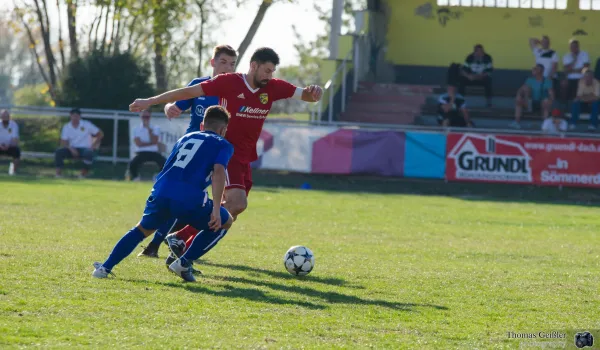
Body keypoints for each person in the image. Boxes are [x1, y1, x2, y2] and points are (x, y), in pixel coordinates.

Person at [129, 47, 323, 270]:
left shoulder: (274, 87)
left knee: (233, 210)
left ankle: (181, 240)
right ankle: (181, 245)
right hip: (225, 152)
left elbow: (307, 96)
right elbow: (187, 92)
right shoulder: (229, 82)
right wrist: (150, 101)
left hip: (245, 158)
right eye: (266, 70)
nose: (269, 76)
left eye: (272, 71)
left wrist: (315, 92)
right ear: (253, 65)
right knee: (236, 203)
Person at [92, 106, 234, 282]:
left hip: (161, 191)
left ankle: (105, 267)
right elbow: (219, 172)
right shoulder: (223, 144)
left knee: (141, 230)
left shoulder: (185, 137)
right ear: (223, 129)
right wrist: (215, 209)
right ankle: (184, 263)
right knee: (224, 221)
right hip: (188, 196)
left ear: (202, 125)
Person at [137, 44, 237, 258]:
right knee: (176, 198)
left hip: (209, 158)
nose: (227, 68)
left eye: (232, 64)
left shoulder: (234, 93)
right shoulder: (199, 86)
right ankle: (159, 245)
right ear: (212, 63)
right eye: (223, 62)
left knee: (188, 202)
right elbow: (175, 103)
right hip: (187, 151)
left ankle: (167, 246)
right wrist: (168, 107)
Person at [55, 108, 103, 178]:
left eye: (77, 116)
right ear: (70, 116)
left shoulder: (87, 124)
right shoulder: (66, 127)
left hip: (85, 148)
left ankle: (83, 174)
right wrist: (71, 148)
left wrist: (93, 145)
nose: (75, 118)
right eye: (73, 116)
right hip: (71, 148)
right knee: (59, 152)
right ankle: (58, 174)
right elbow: (63, 141)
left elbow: (100, 134)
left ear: (80, 117)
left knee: (89, 153)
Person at [509, 64, 554, 129]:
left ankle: (545, 125)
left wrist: (550, 102)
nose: (533, 70)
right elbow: (521, 89)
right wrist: (518, 96)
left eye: (536, 69)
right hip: (529, 102)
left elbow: (551, 94)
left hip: (541, 103)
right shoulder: (529, 80)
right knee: (519, 100)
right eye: (533, 68)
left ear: (541, 71)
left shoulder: (547, 81)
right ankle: (517, 122)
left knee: (546, 102)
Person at [127, 109, 166, 181]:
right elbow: (138, 144)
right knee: (132, 163)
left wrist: (149, 131)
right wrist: (150, 143)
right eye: (143, 117)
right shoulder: (136, 129)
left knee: (164, 162)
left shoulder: (155, 128)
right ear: (140, 117)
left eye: (147, 117)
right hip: (141, 152)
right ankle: (135, 178)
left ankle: (158, 177)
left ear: (150, 117)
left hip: (153, 152)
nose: (145, 119)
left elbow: (155, 141)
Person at [0, 110, 21, 175]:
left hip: (10, 146)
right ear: (1, 116)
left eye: (7, 116)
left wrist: (8, 145)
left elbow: (15, 139)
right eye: (4, 116)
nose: (5, 118)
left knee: (17, 151)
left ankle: (13, 172)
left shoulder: (14, 125)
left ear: (9, 117)